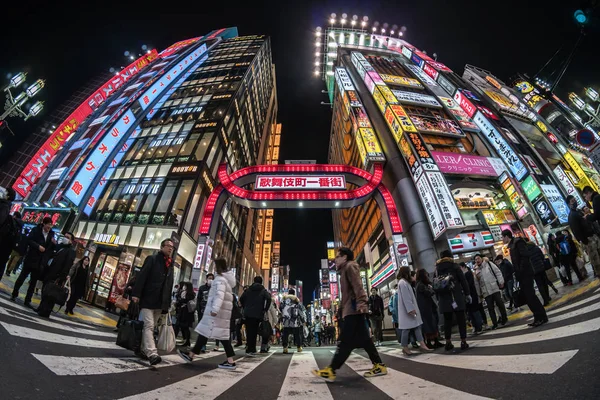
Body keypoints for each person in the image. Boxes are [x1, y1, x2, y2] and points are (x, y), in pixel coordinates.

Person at [312, 247, 386, 382]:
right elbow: (346, 294)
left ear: (345, 257)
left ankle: (331, 370)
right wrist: (340, 308)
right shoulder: (344, 270)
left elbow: (358, 286)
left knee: (345, 341)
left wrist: (362, 303)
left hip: (354, 310)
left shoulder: (350, 267)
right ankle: (379, 365)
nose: (335, 259)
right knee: (364, 340)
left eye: (338, 256)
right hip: (351, 310)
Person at [178, 258, 237, 370]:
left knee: (220, 336)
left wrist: (214, 309)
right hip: (221, 314)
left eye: (215, 266)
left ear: (218, 267)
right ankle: (191, 355)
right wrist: (210, 282)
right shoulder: (224, 280)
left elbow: (219, 295)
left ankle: (230, 361)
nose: (213, 268)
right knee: (207, 334)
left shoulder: (220, 280)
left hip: (216, 314)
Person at [131, 239, 175, 365]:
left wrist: (167, 304)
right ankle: (152, 353)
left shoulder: (170, 265)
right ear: (162, 247)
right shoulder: (152, 259)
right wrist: (136, 294)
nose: (170, 249)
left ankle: (143, 350)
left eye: (172, 247)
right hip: (148, 298)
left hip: (160, 303)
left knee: (151, 326)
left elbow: (169, 285)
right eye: (168, 246)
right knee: (148, 325)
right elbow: (142, 276)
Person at [503, 230, 548, 327]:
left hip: (526, 273)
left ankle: (541, 317)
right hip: (522, 274)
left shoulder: (518, 242)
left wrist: (520, 270)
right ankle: (539, 316)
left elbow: (525, 257)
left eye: (503, 237)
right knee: (529, 297)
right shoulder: (512, 245)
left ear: (507, 236)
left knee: (531, 296)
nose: (502, 239)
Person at [11, 217, 56, 307]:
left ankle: (28, 300)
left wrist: (54, 244)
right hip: (30, 259)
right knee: (22, 277)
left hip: (39, 263)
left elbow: (50, 250)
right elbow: (29, 241)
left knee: (33, 282)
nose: (49, 227)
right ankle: (14, 294)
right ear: (44, 224)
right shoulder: (36, 231)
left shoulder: (51, 235)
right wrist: (37, 246)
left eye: (51, 226)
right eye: (48, 225)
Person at [434, 250, 471, 351]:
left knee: (447, 321)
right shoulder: (454, 266)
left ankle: (448, 342)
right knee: (461, 320)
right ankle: (463, 341)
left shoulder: (437, 269)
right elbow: (463, 280)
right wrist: (467, 294)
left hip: (444, 299)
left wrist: (438, 299)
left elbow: (436, 285)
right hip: (456, 297)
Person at [36, 232, 77, 318]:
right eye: (64, 236)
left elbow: (67, 266)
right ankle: (41, 307)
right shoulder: (60, 247)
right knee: (45, 291)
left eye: (67, 237)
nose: (65, 238)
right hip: (49, 273)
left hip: (57, 276)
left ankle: (45, 311)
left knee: (52, 294)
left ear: (71, 241)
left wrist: (61, 278)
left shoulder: (71, 251)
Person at [395, 266, 433, 356]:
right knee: (406, 329)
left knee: (416, 326)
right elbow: (406, 297)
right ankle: (405, 347)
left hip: (409, 310)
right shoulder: (402, 283)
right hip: (407, 311)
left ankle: (422, 345)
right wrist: (410, 309)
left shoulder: (404, 282)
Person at [567, 193, 600, 278]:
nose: (574, 202)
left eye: (575, 200)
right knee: (595, 259)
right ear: (569, 204)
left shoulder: (578, 211)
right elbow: (576, 230)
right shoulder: (572, 216)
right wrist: (584, 240)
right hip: (587, 239)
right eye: (572, 201)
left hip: (593, 236)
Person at [240, 276, 272, 356]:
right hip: (258, 313)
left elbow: (241, 299)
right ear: (261, 282)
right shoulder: (263, 290)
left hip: (248, 313)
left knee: (249, 330)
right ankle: (252, 349)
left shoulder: (248, 290)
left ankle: (249, 348)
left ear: (254, 281)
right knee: (254, 331)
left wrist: (245, 307)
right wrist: (265, 309)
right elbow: (269, 299)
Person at [473, 254, 507, 329]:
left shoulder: (488, 264)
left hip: (494, 287)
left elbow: (497, 272)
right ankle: (494, 323)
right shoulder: (476, 270)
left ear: (481, 259)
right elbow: (476, 284)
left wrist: (501, 282)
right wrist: (479, 294)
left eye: (478, 258)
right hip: (486, 292)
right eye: (475, 259)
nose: (477, 260)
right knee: (490, 308)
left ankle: (504, 319)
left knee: (500, 304)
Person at [415, 269, 443, 348]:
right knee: (429, 325)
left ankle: (434, 341)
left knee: (431, 324)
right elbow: (429, 293)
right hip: (426, 309)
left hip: (427, 308)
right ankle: (430, 342)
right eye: (426, 275)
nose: (427, 276)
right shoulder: (420, 285)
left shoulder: (420, 284)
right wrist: (432, 288)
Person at [525, 239, 552, 306]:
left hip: (534, 270)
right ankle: (548, 297)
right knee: (544, 283)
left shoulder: (525, 251)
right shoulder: (536, 247)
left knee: (540, 285)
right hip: (541, 267)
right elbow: (542, 256)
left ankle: (545, 300)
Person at [460, 263, 483, 335]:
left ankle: (479, 327)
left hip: (472, 295)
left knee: (475, 311)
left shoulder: (469, 273)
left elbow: (469, 284)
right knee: (471, 312)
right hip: (468, 296)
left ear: (463, 267)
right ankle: (475, 327)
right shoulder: (465, 275)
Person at [280, 288, 303, 354]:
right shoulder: (296, 300)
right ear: (294, 293)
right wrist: (303, 319)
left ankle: (285, 348)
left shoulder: (284, 299)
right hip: (294, 320)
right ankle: (299, 347)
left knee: (285, 335)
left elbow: (280, 307)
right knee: (297, 334)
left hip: (286, 320)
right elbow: (300, 310)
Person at [174, 281, 195, 347]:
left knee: (185, 327)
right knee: (179, 326)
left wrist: (179, 301)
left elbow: (185, 300)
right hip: (182, 312)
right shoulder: (182, 292)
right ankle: (184, 340)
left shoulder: (191, 294)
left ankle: (187, 341)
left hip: (187, 313)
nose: (183, 287)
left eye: (185, 286)